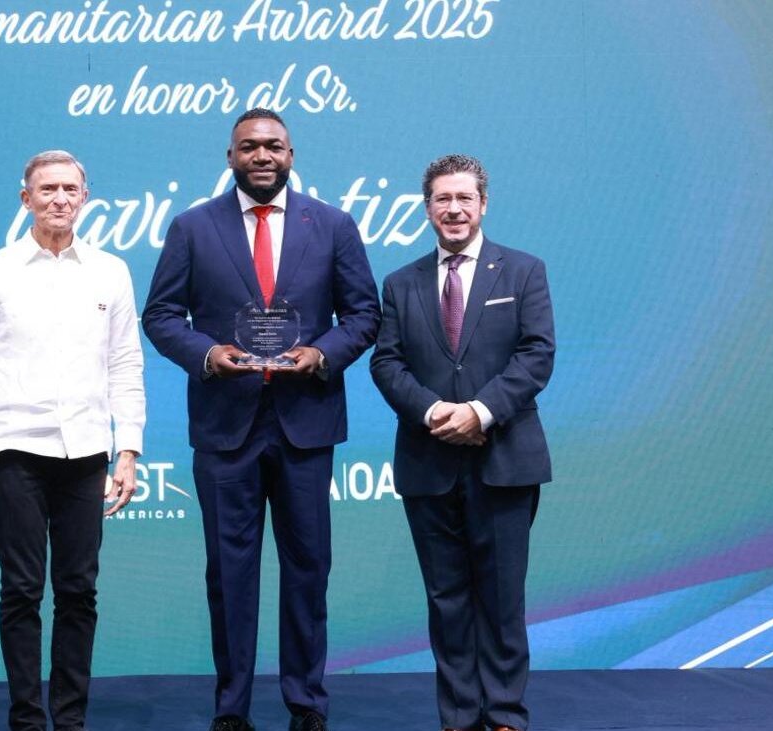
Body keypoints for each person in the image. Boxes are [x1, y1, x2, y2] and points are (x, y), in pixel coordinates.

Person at [142, 109, 380, 731]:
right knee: (229, 572)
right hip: (225, 424)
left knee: (308, 567)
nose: (262, 155)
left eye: (274, 145)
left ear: (291, 154)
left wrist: (323, 353)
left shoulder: (333, 225)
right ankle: (232, 708)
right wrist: (206, 354)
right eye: (249, 146)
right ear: (230, 157)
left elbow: (364, 315)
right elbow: (160, 316)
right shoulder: (193, 227)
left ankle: (307, 703)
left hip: (306, 422)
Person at [0, 150, 144, 731]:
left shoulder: (111, 271)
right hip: (12, 452)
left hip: (86, 453)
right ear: (25, 198)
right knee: (22, 590)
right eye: (48, 189)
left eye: (70, 189)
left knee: (79, 591)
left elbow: (126, 365)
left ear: (85, 198)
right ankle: (28, 720)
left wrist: (128, 449)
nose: (59, 199)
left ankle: (71, 719)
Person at [369, 154, 554, 731]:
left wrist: (480, 411)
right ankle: (457, 716)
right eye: (442, 199)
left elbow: (537, 354)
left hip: (505, 459)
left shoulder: (523, 271)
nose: (454, 209)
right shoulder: (400, 283)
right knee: (446, 599)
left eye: (464, 198)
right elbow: (386, 362)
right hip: (428, 460)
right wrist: (433, 411)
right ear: (427, 208)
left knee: (501, 598)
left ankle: (504, 715)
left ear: (483, 205)